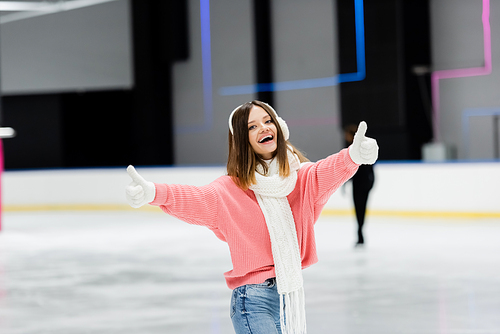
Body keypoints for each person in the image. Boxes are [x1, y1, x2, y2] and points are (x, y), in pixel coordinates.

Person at [125, 100, 378, 334]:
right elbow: (194, 198)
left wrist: (353, 155)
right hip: (252, 301)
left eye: (268, 121)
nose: (264, 128)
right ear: (243, 140)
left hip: (286, 298)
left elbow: (328, 170)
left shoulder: (301, 179)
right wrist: (153, 192)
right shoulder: (230, 190)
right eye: (252, 126)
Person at [344, 124, 375, 247]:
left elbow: (369, 167)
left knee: (361, 209)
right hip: (358, 184)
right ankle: (360, 233)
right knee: (358, 209)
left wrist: (371, 182)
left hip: (362, 184)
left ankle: (360, 233)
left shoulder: (361, 148)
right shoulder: (350, 149)